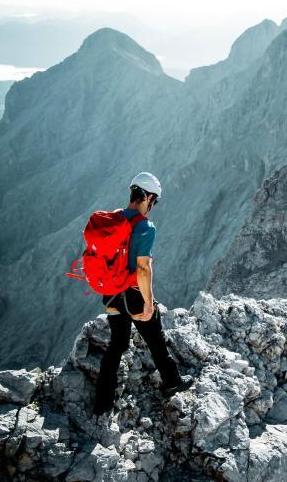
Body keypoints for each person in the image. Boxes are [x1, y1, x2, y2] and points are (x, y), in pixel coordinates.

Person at [93, 172, 191, 416]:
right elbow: (143, 268)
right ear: (147, 196)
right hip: (134, 295)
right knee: (156, 340)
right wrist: (149, 303)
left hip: (112, 294)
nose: (152, 206)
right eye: (153, 201)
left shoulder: (113, 219)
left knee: (116, 345)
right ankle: (172, 383)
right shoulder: (145, 227)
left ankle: (102, 402)